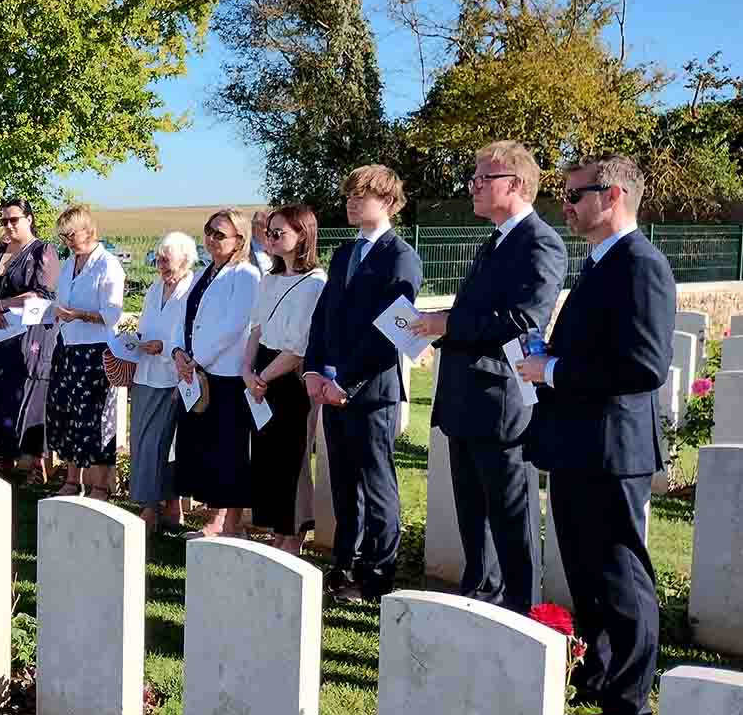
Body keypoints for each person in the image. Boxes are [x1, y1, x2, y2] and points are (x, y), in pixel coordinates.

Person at [517, 154, 674, 715]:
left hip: (614, 446)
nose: (567, 205)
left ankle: (630, 702)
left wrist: (552, 370)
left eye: (576, 194)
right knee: (585, 570)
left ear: (613, 196)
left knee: (618, 572)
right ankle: (598, 676)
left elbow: (644, 365)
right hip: (579, 443)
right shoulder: (601, 263)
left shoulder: (640, 264)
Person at [409, 140, 567, 612]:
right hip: (465, 400)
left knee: (509, 518)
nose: (472, 187)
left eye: (483, 179)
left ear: (515, 185)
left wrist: (449, 324)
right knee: (472, 518)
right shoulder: (494, 239)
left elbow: (524, 319)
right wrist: (435, 322)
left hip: (500, 402)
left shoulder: (540, 242)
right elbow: (479, 312)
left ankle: (521, 612)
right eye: (474, 179)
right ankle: (480, 598)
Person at [303, 165, 423, 602]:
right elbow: (324, 317)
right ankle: (343, 562)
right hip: (332, 386)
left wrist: (347, 382)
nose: (352, 201)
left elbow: (391, 330)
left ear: (388, 202)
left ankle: (377, 572)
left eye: (362, 195)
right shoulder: (344, 254)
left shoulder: (400, 257)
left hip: (372, 391)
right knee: (342, 483)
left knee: (377, 485)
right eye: (349, 195)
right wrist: (314, 369)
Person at [170, 208, 261, 535]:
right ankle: (214, 518)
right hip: (196, 373)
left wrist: (197, 358)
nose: (211, 238)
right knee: (203, 448)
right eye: (209, 231)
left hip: (226, 375)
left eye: (219, 234)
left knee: (228, 451)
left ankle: (230, 524)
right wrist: (178, 351)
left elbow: (236, 325)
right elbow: (185, 317)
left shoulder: (246, 275)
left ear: (240, 240)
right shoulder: (203, 274)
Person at [243, 206, 327, 554]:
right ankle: (277, 525)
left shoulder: (316, 283)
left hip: (290, 374)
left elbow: (299, 344)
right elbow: (257, 327)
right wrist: (247, 371)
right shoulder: (270, 278)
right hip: (261, 367)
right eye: (269, 232)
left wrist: (262, 375)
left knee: (291, 455)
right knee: (266, 456)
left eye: (280, 233)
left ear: (302, 236)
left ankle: (293, 531)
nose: (271, 238)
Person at [0, 198, 59, 476]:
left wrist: (1, 305)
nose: (8, 225)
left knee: (24, 398)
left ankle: (32, 462)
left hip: (27, 341)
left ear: (29, 219)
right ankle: (3, 457)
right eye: (4, 220)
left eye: (14, 219)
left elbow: (42, 294)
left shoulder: (43, 252)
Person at [46, 205, 126, 499]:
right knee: (66, 414)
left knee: (94, 417)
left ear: (88, 230)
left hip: (94, 351)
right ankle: (71, 479)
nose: (67, 239)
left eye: (71, 233)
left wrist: (78, 314)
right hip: (67, 347)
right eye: (63, 235)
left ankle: (101, 485)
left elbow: (112, 314)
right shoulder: (69, 264)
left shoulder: (108, 265)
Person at [129, 231, 196, 533]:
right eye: (159, 259)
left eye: (167, 260)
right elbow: (146, 323)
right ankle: (151, 505)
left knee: (169, 444)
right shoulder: (155, 288)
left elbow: (189, 331)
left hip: (174, 375)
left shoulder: (192, 287)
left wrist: (166, 348)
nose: (161, 266)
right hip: (147, 373)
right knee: (145, 441)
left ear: (184, 260)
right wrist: (138, 342)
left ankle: (164, 506)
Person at [248, 209, 274, 275]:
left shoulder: (277, 250)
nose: (272, 235)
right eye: (267, 231)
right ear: (255, 229)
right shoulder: (244, 252)